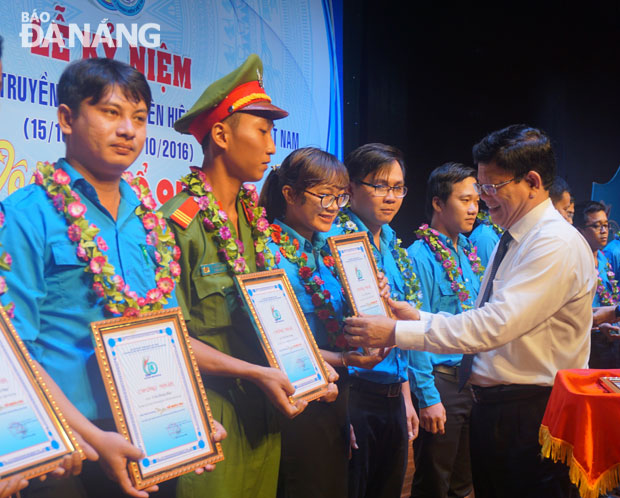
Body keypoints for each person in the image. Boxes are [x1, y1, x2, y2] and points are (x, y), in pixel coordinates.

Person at [0, 58, 228, 498]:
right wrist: (89, 435)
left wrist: (191, 408)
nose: (128, 130)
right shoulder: (26, 215)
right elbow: (15, 349)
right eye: (111, 112)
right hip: (69, 445)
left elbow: (165, 333)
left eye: (139, 119)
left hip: (153, 430)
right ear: (67, 118)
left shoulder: (151, 223)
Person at [344, 124, 595, 498]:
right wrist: (417, 317)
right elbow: (484, 316)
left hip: (532, 411)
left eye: (492, 188)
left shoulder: (553, 243)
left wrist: (397, 333)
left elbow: (493, 326)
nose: (484, 200)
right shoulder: (513, 236)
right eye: (480, 189)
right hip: (499, 408)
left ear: (531, 181)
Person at [160, 54, 303, 498]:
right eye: (262, 130)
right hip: (210, 410)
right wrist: (257, 374)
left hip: (263, 407)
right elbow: (169, 339)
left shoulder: (255, 222)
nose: (271, 147)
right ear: (221, 134)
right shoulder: (176, 223)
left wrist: (317, 367)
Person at [259, 146, 354, 498]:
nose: (332, 206)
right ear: (290, 193)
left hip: (338, 391)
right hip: (297, 397)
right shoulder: (268, 251)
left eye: (340, 197)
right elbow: (273, 340)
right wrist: (343, 360)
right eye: (324, 195)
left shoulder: (332, 250)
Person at [328, 143, 418, 498]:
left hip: (393, 393)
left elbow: (399, 328)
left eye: (398, 187)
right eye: (380, 186)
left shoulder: (393, 243)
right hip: (355, 392)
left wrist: (407, 398)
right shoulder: (334, 241)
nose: (391, 196)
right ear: (350, 188)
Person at [407, 162, 481, 498]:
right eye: (465, 200)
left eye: (477, 201)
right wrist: (428, 397)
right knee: (434, 482)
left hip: (469, 380)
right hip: (441, 383)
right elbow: (414, 331)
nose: (474, 209)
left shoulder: (466, 252)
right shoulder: (418, 257)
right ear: (438, 204)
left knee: (464, 482)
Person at [574, 200, 620, 367]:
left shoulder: (603, 259)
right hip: (588, 340)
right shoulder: (575, 261)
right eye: (597, 226)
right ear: (580, 231)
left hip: (611, 338)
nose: (604, 231)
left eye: (606, 225)